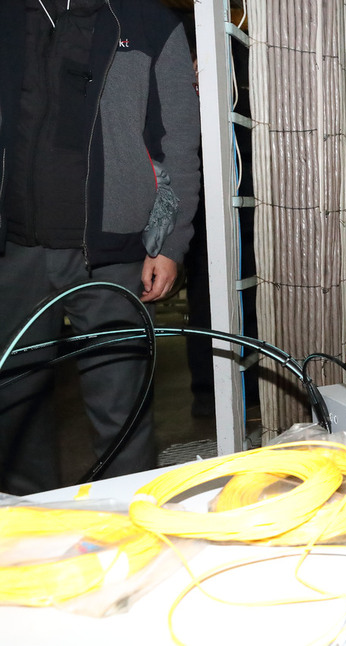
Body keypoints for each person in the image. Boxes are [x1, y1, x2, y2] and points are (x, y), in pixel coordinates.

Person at [0, 0, 200, 494]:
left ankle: (130, 536)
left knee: (122, 413)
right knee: (13, 405)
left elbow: (180, 137)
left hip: (113, 255)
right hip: (15, 249)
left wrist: (171, 243)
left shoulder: (150, 23)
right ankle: (28, 537)